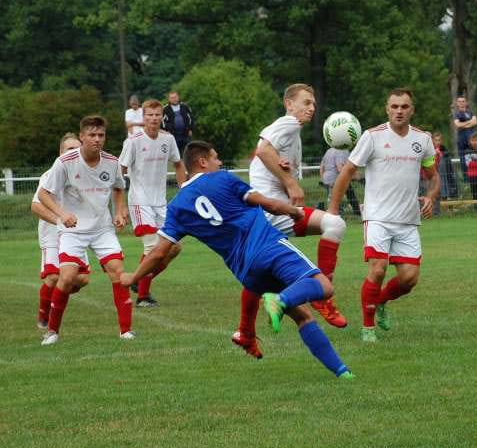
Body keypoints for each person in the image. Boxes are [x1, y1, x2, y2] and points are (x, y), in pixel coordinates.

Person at [119, 141, 353, 378]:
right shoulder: (222, 178)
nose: (219, 162)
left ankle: (342, 372)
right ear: (202, 162)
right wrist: (294, 211)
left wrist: (134, 276)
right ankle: (279, 300)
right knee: (324, 286)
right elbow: (269, 204)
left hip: (245, 270)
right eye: (216, 157)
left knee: (302, 315)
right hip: (268, 246)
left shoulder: (177, 206)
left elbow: (159, 252)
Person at [327, 88, 440, 343]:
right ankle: (368, 329)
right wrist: (333, 208)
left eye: (404, 106)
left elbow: (433, 177)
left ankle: (379, 302)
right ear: (387, 109)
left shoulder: (422, 139)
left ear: (412, 109)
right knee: (377, 270)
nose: (399, 111)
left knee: (409, 279)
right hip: (377, 216)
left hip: (408, 219)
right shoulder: (372, 137)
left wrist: (431, 196)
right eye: (394, 106)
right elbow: (346, 172)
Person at [248, 84, 348, 328]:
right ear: (289, 104)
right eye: (306, 103)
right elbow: (262, 150)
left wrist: (284, 176)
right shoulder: (289, 123)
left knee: (259, 276)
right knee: (334, 224)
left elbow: (262, 155)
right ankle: (321, 295)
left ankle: (245, 332)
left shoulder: (291, 133)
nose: (311, 108)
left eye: (313, 104)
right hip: (274, 211)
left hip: (268, 212)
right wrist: (291, 184)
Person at [36, 115, 134, 345]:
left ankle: (126, 331)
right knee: (68, 277)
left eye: (101, 135)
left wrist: (120, 212)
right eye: (92, 135)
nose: (97, 139)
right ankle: (52, 331)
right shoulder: (65, 162)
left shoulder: (111, 162)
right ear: (82, 137)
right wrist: (62, 214)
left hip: (102, 229)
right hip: (73, 230)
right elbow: (43, 195)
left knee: (118, 273)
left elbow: (119, 188)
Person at [119, 99, 187, 307]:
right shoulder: (134, 141)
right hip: (140, 201)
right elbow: (119, 171)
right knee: (152, 248)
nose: (154, 118)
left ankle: (139, 279)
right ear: (143, 117)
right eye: (149, 115)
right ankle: (143, 296)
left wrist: (184, 189)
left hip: (160, 202)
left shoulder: (168, 139)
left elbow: (178, 163)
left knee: (174, 248)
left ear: (162, 117)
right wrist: (121, 206)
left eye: (157, 115)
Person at [30, 133, 83, 329]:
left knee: (82, 279)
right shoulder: (49, 175)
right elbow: (36, 206)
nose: (74, 152)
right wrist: (59, 220)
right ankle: (44, 317)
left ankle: (59, 295)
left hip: (76, 234)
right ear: (60, 153)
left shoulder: (84, 174)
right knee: (53, 277)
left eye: (77, 148)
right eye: (70, 149)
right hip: (52, 234)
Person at [320, 147, 361, 216]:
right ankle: (337, 213)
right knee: (347, 195)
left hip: (327, 178)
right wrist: (353, 176)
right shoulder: (341, 150)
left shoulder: (329, 151)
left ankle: (355, 211)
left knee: (345, 194)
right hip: (337, 178)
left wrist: (323, 178)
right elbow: (340, 168)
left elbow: (322, 167)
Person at [452, 96, 477, 173]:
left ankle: (474, 175)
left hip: (472, 140)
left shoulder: (470, 112)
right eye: (459, 101)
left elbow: (475, 122)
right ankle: (465, 178)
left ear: (466, 103)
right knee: (463, 160)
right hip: (461, 140)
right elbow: (458, 125)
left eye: (463, 101)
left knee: (474, 158)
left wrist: (464, 124)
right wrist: (470, 122)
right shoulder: (456, 114)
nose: (461, 103)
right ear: (457, 103)